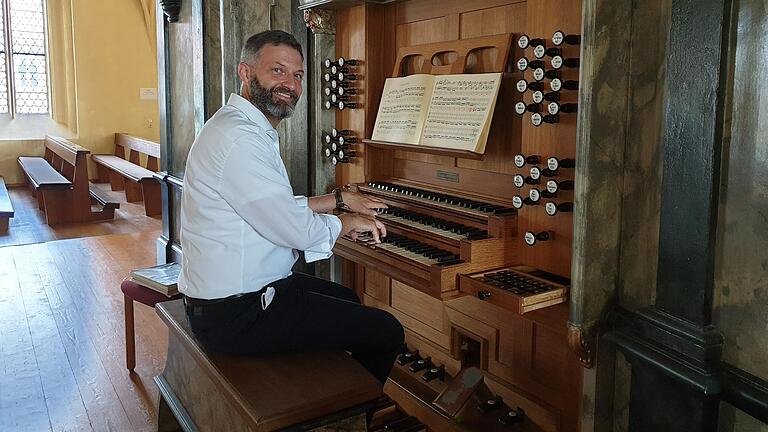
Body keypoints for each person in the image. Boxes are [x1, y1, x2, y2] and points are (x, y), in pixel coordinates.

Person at [178, 30, 404, 385]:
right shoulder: (239, 140)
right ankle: (343, 417)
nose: (291, 84)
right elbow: (294, 227)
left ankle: (333, 396)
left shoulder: (240, 127)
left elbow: (272, 207)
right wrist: (346, 222)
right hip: (236, 314)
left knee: (348, 297)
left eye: (297, 75)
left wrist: (341, 199)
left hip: (240, 294)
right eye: (277, 71)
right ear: (245, 72)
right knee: (387, 331)